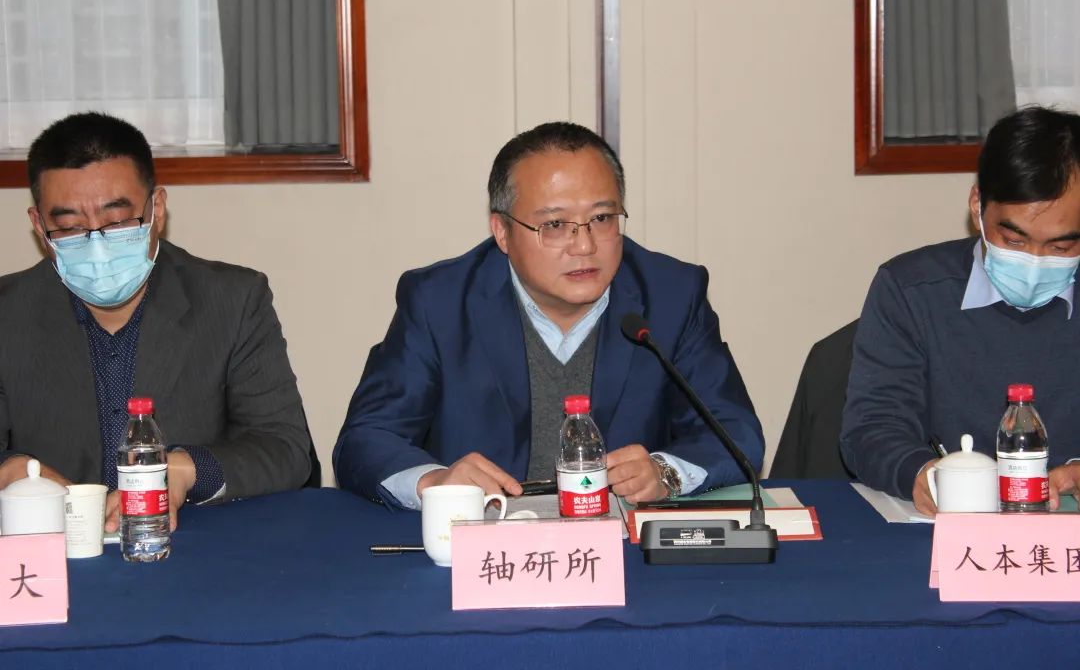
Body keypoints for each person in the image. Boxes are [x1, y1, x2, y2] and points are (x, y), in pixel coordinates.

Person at [334, 121, 763, 510]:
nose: (585, 246)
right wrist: (435, 482)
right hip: (485, 548)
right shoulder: (439, 302)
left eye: (602, 218)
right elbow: (367, 438)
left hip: (623, 550)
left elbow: (735, 433)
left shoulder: (672, 294)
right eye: (555, 225)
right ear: (502, 231)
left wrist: (665, 472)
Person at [0, 112, 311, 531]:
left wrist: (185, 470)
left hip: (191, 549)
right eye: (70, 227)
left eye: (117, 221)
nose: (97, 245)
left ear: (156, 209)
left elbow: (286, 448)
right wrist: (13, 472)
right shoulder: (8, 313)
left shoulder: (233, 300)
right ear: (39, 225)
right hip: (52, 550)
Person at [841, 106, 1080, 515]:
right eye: (1014, 240)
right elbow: (872, 428)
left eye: (1061, 246)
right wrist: (920, 473)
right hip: (943, 532)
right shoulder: (912, 290)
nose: (1035, 261)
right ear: (977, 206)